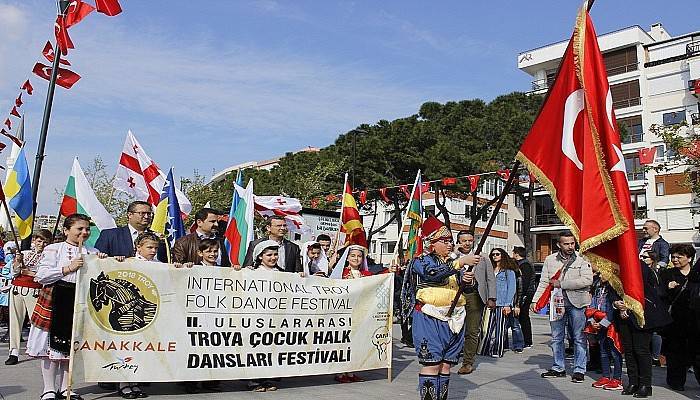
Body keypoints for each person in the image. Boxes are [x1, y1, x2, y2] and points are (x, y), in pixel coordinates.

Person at [27, 214, 107, 400]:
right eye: (80, 229)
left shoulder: (93, 251)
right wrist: (67, 268)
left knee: (71, 348)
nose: (84, 232)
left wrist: (103, 260)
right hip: (56, 297)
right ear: (66, 230)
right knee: (50, 348)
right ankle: (48, 389)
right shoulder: (54, 249)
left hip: (80, 300)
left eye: (87, 229)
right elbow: (41, 276)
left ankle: (66, 388)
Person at [401, 216, 481, 400]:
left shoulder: (452, 264)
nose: (449, 244)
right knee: (431, 363)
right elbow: (433, 274)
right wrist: (459, 263)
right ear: (431, 243)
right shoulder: (421, 261)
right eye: (444, 241)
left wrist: (467, 281)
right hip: (430, 317)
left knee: (446, 365)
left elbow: (464, 287)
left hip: (455, 318)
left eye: (450, 241)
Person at [532, 231, 593, 383]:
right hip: (556, 303)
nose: (570, 246)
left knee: (579, 337)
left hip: (578, 303)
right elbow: (544, 282)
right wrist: (535, 300)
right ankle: (558, 367)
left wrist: (563, 284)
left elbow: (587, 280)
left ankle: (579, 369)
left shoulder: (582, 258)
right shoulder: (550, 259)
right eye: (566, 244)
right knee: (556, 337)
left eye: (572, 243)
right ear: (559, 244)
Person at [613, 249, 672, 398]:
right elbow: (613, 288)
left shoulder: (641, 268)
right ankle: (633, 382)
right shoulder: (616, 267)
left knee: (641, 349)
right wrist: (616, 303)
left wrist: (629, 305)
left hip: (642, 315)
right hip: (623, 315)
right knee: (629, 350)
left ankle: (645, 384)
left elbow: (646, 291)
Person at [5, 230, 52, 366]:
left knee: (37, 321)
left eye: (45, 242)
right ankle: (13, 352)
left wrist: (30, 273)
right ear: (34, 241)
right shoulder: (24, 253)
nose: (41, 244)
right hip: (17, 290)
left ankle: (38, 347)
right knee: (15, 320)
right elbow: (14, 272)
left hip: (35, 291)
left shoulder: (49, 257)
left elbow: (45, 275)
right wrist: (17, 262)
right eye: (39, 241)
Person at [659, 243, 700, 393]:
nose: (675, 259)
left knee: (696, 353)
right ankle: (676, 381)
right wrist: (668, 289)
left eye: (679, 257)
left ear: (689, 258)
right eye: (673, 257)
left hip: (695, 320)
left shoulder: (696, 275)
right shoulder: (666, 274)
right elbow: (660, 296)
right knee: (676, 354)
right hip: (674, 321)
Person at [455, 230, 496, 375]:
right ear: (458, 241)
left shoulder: (483, 257)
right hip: (455, 296)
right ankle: (451, 356)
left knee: (472, 331)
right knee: (453, 329)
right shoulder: (452, 257)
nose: (467, 243)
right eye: (464, 240)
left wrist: (492, 297)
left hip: (475, 295)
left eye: (470, 240)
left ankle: (468, 362)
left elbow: (490, 278)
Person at [329, 244, 370, 382]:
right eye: (353, 256)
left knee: (357, 343)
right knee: (343, 343)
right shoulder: (341, 273)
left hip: (361, 313)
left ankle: (352, 372)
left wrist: (392, 271)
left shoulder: (368, 275)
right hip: (343, 314)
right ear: (347, 258)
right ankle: (340, 373)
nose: (356, 258)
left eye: (359, 256)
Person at [247, 240, 283, 392]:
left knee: (271, 349)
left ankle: (267, 378)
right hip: (256, 318)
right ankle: (253, 380)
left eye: (275, 254)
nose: (273, 258)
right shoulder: (251, 273)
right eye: (269, 255)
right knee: (255, 348)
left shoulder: (283, 274)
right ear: (260, 257)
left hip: (275, 319)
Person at [478, 248, 521, 358]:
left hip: (502, 302)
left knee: (500, 328)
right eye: (492, 254)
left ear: (503, 255)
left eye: (497, 254)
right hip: (490, 302)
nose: (495, 256)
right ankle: (485, 349)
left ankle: (497, 350)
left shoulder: (508, 271)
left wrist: (508, 304)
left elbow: (512, 288)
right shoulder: (490, 269)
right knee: (487, 327)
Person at [587, 272, 623, 391]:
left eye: (603, 273)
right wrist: (592, 320)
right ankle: (605, 376)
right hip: (598, 322)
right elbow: (592, 305)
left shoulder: (614, 288)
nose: (600, 276)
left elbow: (612, 311)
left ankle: (617, 378)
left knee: (614, 352)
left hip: (611, 324)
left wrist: (603, 324)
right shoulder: (597, 286)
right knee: (603, 351)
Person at [512, 246, 535, 348]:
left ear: (517, 254)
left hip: (525, 294)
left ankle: (527, 340)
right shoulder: (520, 264)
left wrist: (521, 297)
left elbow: (524, 283)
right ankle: (523, 339)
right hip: (522, 294)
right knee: (521, 317)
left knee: (523, 317)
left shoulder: (525, 265)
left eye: (513, 253)